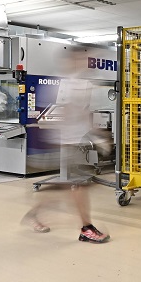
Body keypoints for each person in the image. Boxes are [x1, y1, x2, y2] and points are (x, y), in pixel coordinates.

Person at [22, 49, 110, 243]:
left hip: (76, 141)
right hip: (65, 143)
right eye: (81, 58)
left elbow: (85, 112)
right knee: (78, 186)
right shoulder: (64, 84)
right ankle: (86, 228)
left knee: (65, 188)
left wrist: (99, 135)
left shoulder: (82, 84)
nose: (85, 62)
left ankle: (34, 215)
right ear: (71, 60)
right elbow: (62, 113)